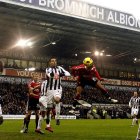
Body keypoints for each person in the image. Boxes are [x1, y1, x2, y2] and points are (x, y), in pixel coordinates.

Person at [45, 58, 70, 125]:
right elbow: (50, 75)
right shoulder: (47, 69)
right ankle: (47, 117)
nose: (54, 62)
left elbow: (68, 73)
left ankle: (58, 118)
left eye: (55, 61)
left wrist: (61, 74)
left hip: (58, 89)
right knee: (49, 108)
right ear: (50, 62)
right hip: (49, 90)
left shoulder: (59, 68)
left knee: (57, 100)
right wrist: (58, 75)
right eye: (52, 61)